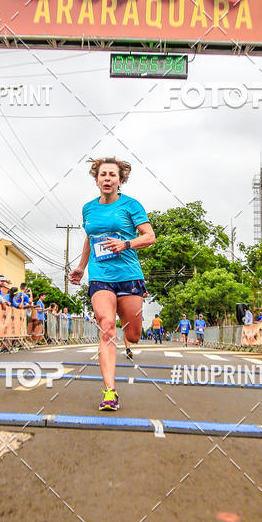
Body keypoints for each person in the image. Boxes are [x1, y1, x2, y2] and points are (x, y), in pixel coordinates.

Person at [69, 156, 155, 411]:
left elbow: (150, 236)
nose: (107, 179)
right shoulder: (88, 209)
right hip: (100, 277)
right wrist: (81, 267)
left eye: (112, 175)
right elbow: (89, 238)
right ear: (96, 179)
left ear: (120, 180)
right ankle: (109, 391)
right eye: (103, 175)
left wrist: (125, 243)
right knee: (107, 327)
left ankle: (128, 324)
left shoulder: (131, 205)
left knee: (133, 335)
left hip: (128, 276)